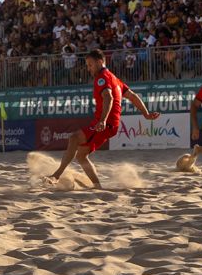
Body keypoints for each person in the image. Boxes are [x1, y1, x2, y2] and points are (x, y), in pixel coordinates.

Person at [49, 49, 159, 189]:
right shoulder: (114, 78)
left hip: (105, 122)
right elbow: (132, 96)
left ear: (100, 62)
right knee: (81, 156)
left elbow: (108, 97)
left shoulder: (102, 78)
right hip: (110, 124)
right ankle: (97, 186)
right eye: (87, 65)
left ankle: (56, 176)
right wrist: (146, 113)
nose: (88, 69)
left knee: (74, 138)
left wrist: (103, 120)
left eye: (90, 65)